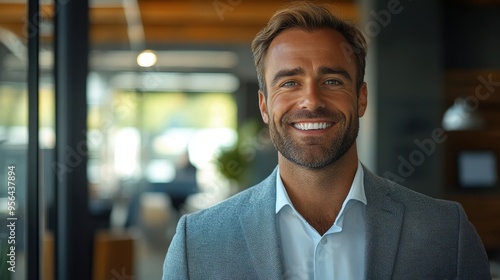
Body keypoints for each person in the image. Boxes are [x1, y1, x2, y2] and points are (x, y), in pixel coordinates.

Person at [162, 2, 491, 279]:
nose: (310, 100)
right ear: (264, 105)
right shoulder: (198, 242)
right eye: (290, 83)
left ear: (361, 98)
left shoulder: (447, 233)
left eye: (332, 80)